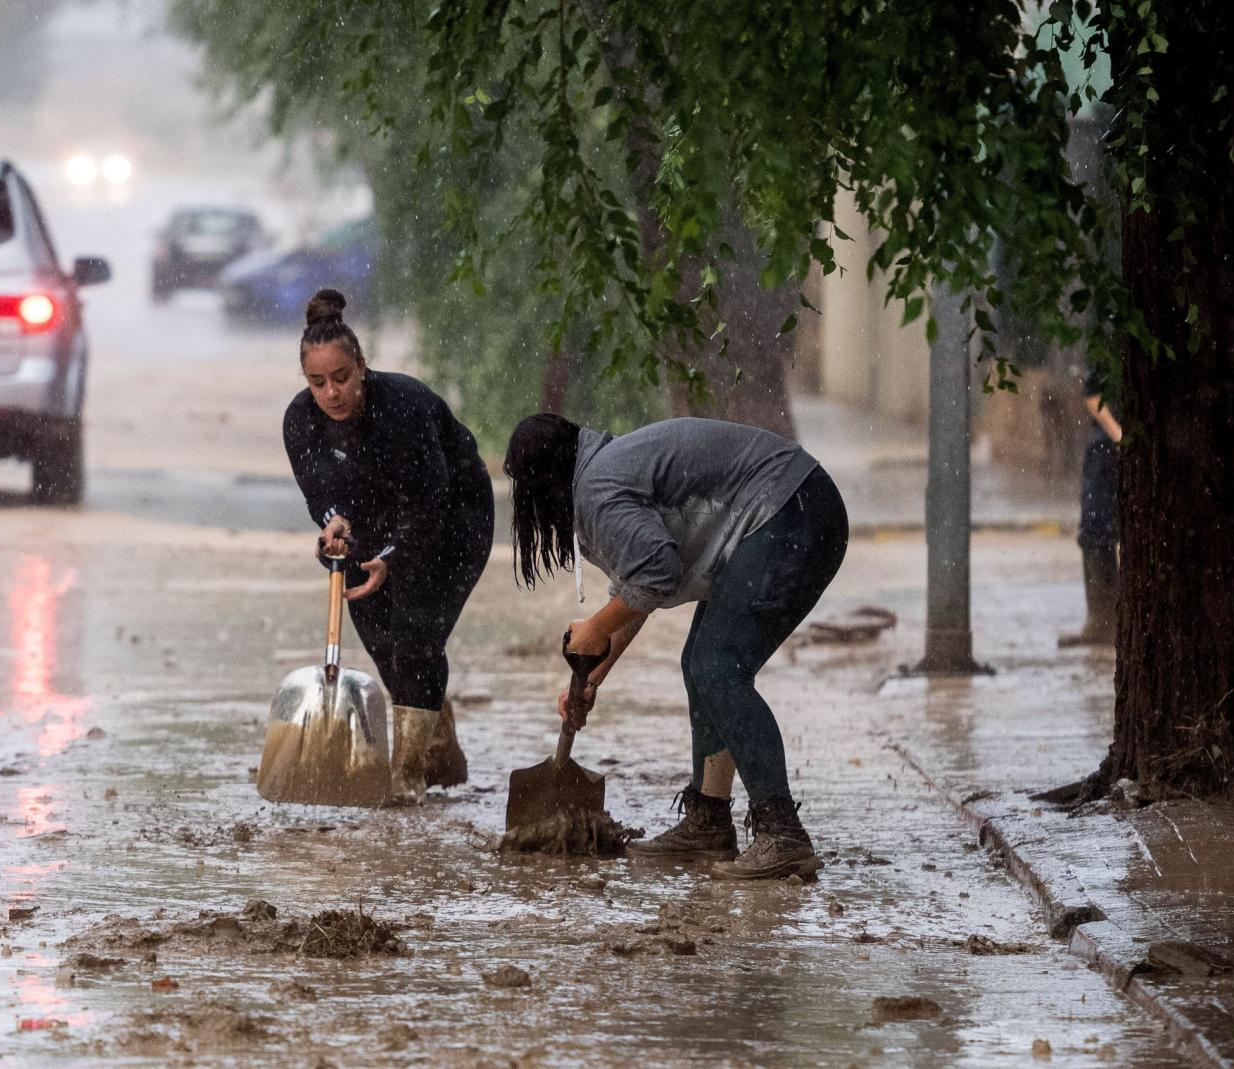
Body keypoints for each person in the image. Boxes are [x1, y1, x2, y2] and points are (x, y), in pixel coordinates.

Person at [504, 413, 848, 880]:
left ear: (543, 482)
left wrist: (595, 626)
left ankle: (783, 833)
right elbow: (638, 587)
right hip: (789, 510)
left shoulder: (598, 488)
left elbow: (657, 573)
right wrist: (596, 671)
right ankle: (708, 821)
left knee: (717, 665)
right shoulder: (605, 473)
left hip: (792, 511)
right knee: (700, 663)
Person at [282, 289, 493, 803]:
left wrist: (392, 559)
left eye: (342, 378)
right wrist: (335, 526)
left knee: (416, 639)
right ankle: (440, 745)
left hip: (453, 520)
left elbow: (429, 503)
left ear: (363, 367)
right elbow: (323, 497)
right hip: (371, 528)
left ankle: (407, 779)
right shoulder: (300, 422)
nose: (331, 393)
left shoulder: (406, 408)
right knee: (385, 647)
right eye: (318, 383)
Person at [1061, 369, 1121, 646]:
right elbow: (1092, 393)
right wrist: (1118, 435)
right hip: (1108, 446)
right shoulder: (1109, 332)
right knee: (1097, 528)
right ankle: (1102, 621)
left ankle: (1111, 620)